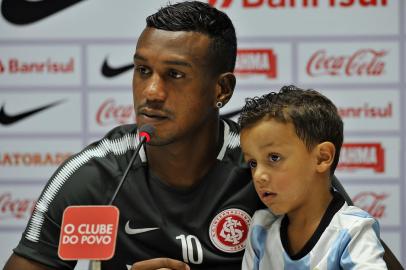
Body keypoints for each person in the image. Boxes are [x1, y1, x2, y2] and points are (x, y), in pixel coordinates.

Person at [4, 1, 262, 270]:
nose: (151, 92)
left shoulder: (259, 167)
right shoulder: (95, 175)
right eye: (143, 70)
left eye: (175, 74)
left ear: (222, 89)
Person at [239, 85, 387, 269]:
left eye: (274, 157)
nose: (259, 175)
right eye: (253, 163)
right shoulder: (261, 228)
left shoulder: (352, 230)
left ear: (322, 157)